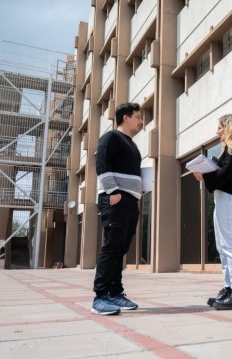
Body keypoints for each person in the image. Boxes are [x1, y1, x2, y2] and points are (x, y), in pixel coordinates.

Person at [193, 114, 232, 310]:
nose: (217, 131)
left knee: (229, 245)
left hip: (230, 198)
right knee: (223, 246)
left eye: (220, 127)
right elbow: (225, 169)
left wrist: (204, 176)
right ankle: (229, 288)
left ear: (229, 128)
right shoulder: (230, 150)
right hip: (225, 198)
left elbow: (227, 173)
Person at [91, 102, 144, 315]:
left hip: (130, 201)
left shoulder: (132, 144)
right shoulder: (111, 137)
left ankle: (115, 293)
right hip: (115, 200)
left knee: (120, 249)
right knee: (111, 247)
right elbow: (101, 162)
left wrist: (140, 189)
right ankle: (99, 297)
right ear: (126, 118)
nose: (141, 121)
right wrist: (112, 191)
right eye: (138, 117)